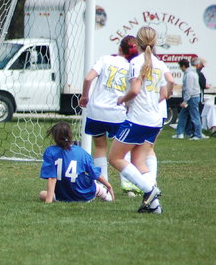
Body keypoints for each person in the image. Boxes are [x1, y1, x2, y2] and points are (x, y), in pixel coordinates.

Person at [108, 26, 167, 214]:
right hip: (154, 120)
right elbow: (166, 92)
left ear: (138, 42)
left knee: (114, 158)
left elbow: (134, 90)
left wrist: (122, 99)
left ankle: (150, 190)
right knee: (138, 160)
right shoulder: (160, 64)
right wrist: (151, 103)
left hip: (137, 119)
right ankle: (154, 206)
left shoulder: (136, 62)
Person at [79, 35, 138, 184]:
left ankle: (103, 184)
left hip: (96, 111)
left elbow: (88, 78)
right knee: (123, 149)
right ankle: (128, 184)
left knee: (100, 147)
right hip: (117, 112)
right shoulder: (132, 66)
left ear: (119, 48)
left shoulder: (105, 59)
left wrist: (85, 96)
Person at [39, 121, 114, 203]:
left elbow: (52, 178)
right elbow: (94, 173)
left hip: (63, 196)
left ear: (54, 137)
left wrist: (48, 201)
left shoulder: (50, 151)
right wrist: (108, 186)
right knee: (89, 180)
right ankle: (101, 191)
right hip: (84, 195)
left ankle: (99, 191)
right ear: (70, 135)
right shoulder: (81, 152)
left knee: (42, 194)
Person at [172, 58, 206, 140]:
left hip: (192, 98)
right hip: (192, 97)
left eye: (180, 67)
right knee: (183, 115)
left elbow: (189, 89)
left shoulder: (189, 75)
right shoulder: (192, 73)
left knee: (195, 116)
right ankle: (180, 133)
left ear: (183, 66)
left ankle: (198, 134)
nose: (181, 69)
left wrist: (185, 101)